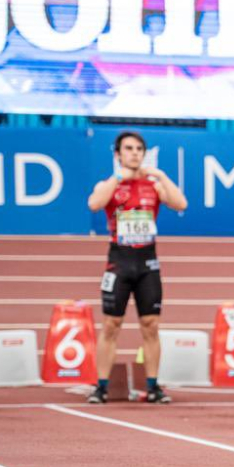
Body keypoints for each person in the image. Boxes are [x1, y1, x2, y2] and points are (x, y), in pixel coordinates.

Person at [86, 131, 187, 404]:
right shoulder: (110, 184)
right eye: (128, 148)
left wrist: (161, 175)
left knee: (151, 325)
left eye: (139, 149)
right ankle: (101, 387)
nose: (134, 153)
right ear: (118, 154)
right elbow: (94, 204)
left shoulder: (153, 185)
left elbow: (180, 203)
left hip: (147, 263)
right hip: (118, 262)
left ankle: (153, 386)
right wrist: (119, 177)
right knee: (111, 325)